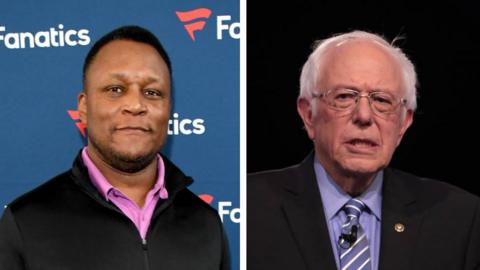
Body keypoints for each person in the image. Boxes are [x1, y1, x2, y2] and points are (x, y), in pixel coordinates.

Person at [0, 25, 230, 270]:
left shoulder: (206, 224)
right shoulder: (26, 222)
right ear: (84, 108)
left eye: (152, 92)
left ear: (169, 110)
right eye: (115, 90)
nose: (135, 104)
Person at [248, 30, 480, 270]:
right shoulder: (250, 209)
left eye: (382, 101)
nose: (364, 116)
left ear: (403, 123)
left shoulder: (459, 218)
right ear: (308, 115)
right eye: (345, 97)